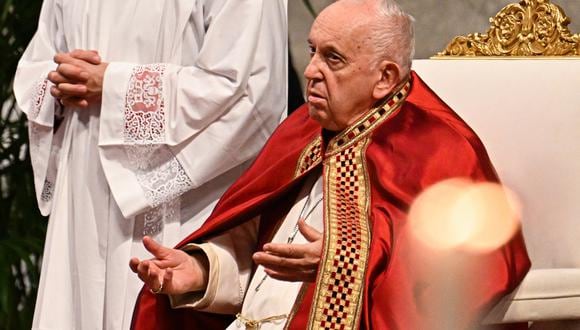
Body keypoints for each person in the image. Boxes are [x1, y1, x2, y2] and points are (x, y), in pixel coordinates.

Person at [130, 0, 531, 329]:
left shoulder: (439, 146)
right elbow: (254, 253)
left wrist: (345, 263)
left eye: (332, 59)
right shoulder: (302, 129)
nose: (310, 71)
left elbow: (482, 266)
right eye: (311, 51)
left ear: (385, 77)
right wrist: (200, 273)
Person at [13, 0, 287, 329]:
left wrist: (116, 86)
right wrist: (58, 82)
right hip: (82, 191)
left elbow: (250, 94)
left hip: (181, 203)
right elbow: (40, 58)